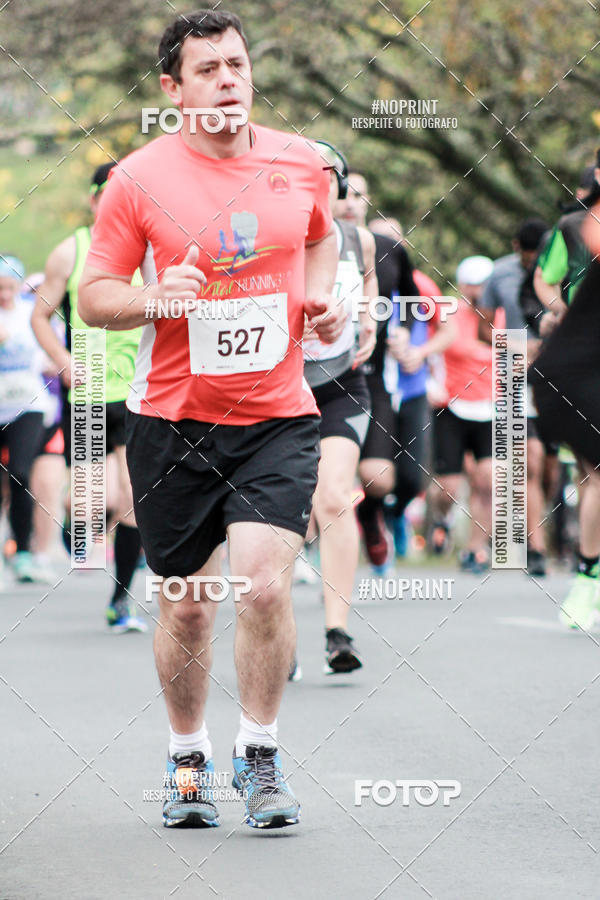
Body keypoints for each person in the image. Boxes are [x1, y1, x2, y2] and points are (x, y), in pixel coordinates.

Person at [78, 9, 344, 829]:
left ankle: (260, 756)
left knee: (262, 586)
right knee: (189, 604)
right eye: (208, 69)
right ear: (174, 87)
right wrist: (154, 297)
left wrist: (325, 304)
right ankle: (186, 758)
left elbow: (321, 239)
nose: (228, 79)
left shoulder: (302, 163)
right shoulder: (136, 179)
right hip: (173, 421)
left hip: (277, 416)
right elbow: (94, 295)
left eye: (237, 63)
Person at [32, 163, 147, 632]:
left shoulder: (148, 251)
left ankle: (120, 600)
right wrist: (63, 360)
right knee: (88, 502)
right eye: (110, 193)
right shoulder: (71, 251)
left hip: (141, 387)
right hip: (92, 385)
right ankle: (73, 523)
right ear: (95, 199)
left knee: (134, 500)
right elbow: (40, 317)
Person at [302, 141, 376, 675]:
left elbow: (369, 286)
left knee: (333, 498)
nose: (321, 180)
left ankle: (337, 632)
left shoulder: (360, 239)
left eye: (331, 174)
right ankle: (271, 629)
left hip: (343, 386)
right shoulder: (273, 241)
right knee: (280, 519)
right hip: (277, 392)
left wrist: (369, 319)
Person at [336, 171, 420, 569]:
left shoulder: (389, 249)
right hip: (319, 379)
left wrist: (402, 332)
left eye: (359, 195)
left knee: (379, 478)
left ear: (369, 201)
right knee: (325, 485)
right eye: (342, 194)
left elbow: (412, 297)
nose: (350, 202)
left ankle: (369, 516)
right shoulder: (312, 244)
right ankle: (326, 563)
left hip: (371, 377)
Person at [530, 158, 600, 630]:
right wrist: (559, 310)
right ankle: (589, 579)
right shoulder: (575, 225)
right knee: (595, 473)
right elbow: (545, 277)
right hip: (588, 352)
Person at [477, 218, 557, 577]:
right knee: (530, 459)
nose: (532, 263)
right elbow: (483, 326)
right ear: (516, 249)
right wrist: (512, 349)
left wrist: (542, 352)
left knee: (551, 468)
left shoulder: (562, 270)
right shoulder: (500, 274)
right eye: (527, 258)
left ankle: (538, 527)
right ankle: (534, 547)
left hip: (556, 375)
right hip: (514, 377)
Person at [428, 256, 496, 573]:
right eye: (472, 283)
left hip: (490, 408)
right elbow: (428, 349)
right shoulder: (448, 313)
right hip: (451, 406)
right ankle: (443, 518)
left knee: (488, 482)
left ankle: (474, 550)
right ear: (462, 284)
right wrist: (431, 385)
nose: (479, 289)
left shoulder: (502, 314)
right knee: (448, 487)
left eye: (485, 283)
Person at [0, 255, 52, 582]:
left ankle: (22, 552)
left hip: (28, 405)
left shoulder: (31, 314)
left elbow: (49, 352)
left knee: (19, 472)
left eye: (10, 287)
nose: (4, 294)